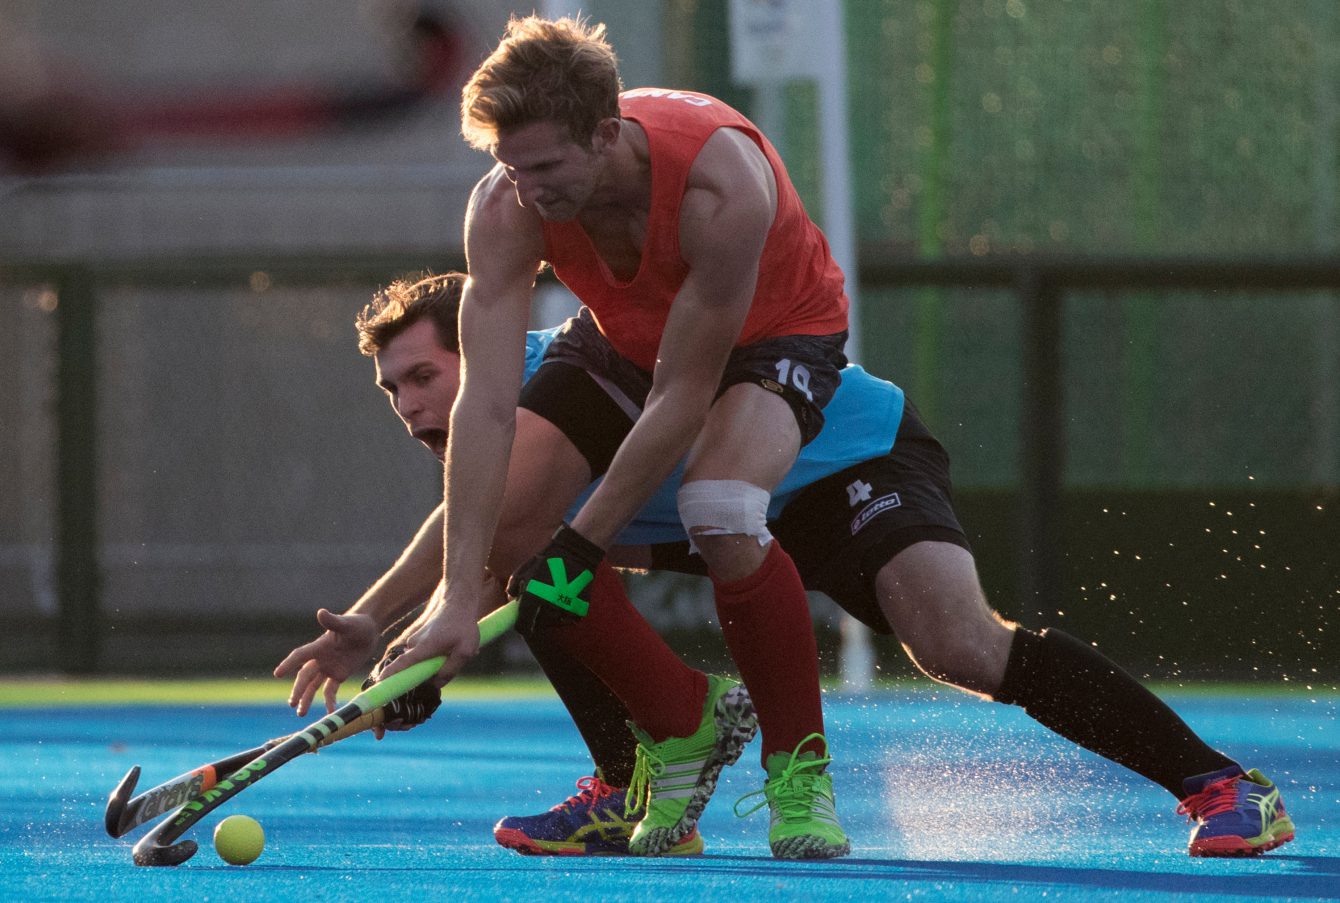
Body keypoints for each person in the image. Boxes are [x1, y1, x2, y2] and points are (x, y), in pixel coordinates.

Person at [279, 272, 1293, 861]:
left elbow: (489, 538)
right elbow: (485, 542)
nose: (413, 404)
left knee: (956, 645)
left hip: (840, 462)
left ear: (478, 357)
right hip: (704, 509)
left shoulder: (554, 376)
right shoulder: (499, 441)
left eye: (425, 376)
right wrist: (388, 643)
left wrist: (404, 636)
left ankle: (1218, 784)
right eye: (392, 390)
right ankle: (630, 786)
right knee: (537, 569)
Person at [370, 15, 856, 859]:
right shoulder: (505, 205)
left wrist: (581, 547)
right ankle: (683, 722)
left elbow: (681, 394)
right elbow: (486, 406)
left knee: (721, 506)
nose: (529, 190)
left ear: (606, 133)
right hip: (626, 331)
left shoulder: (720, 187)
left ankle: (799, 770)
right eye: (509, 166)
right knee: (513, 517)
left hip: (773, 332)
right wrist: (453, 597)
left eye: (547, 167)